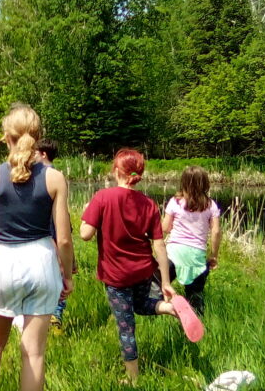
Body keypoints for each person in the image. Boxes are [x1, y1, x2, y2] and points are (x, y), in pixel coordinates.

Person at [0, 104, 74, 391]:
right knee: (34, 353)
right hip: (41, 261)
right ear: (38, 137)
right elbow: (64, 239)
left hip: (4, 262)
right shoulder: (54, 178)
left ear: (6, 137)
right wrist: (67, 275)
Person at [79, 148, 179, 384]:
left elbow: (84, 234)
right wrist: (165, 282)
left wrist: (86, 214)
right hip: (143, 271)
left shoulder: (103, 197)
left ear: (116, 171)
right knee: (143, 304)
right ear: (138, 174)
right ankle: (169, 308)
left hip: (117, 278)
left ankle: (133, 379)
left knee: (126, 328)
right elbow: (160, 246)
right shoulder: (149, 204)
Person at [161, 166, 222, 315]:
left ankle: (161, 309)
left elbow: (165, 228)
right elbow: (216, 231)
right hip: (196, 256)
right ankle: (196, 320)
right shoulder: (211, 205)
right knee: (196, 294)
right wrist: (213, 255)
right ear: (205, 183)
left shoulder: (175, 202)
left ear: (183, 183)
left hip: (173, 254)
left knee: (157, 285)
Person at [34, 139, 77, 334]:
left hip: (50, 230)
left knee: (57, 274)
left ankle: (54, 316)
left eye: (35, 152)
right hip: (54, 229)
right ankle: (53, 316)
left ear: (43, 154)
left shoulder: (49, 176)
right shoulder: (55, 176)